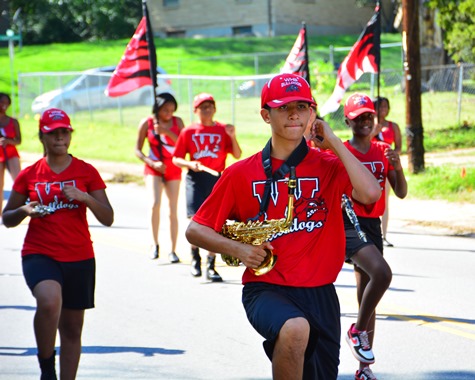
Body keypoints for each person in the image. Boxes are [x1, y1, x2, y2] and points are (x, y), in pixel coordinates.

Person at [185, 74, 381, 379]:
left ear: (312, 114)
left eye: (302, 107)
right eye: (284, 107)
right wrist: (239, 249)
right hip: (265, 289)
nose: (294, 114)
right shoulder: (240, 173)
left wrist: (333, 142)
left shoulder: (329, 165)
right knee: (294, 327)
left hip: (321, 295)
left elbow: (370, 193)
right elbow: (195, 230)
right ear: (266, 115)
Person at [1, 108, 114, 380]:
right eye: (54, 133)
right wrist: (26, 210)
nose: (60, 138)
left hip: (79, 256)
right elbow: (7, 218)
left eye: (65, 132)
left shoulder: (86, 171)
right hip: (40, 253)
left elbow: (108, 217)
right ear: (42, 136)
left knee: (73, 329)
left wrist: (85, 197)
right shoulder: (30, 174)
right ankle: (46, 366)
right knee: (49, 302)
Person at [342, 93, 407, 380]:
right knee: (381, 275)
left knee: (367, 297)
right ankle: (356, 331)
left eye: (369, 116)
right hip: (348, 222)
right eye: (359, 118)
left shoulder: (384, 149)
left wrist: (398, 165)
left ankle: (364, 369)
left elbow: (401, 192)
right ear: (348, 121)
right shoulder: (340, 151)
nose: (365, 121)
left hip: (372, 226)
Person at [172, 92, 242, 282]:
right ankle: (195, 257)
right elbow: (176, 158)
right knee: (195, 219)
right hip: (195, 178)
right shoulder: (189, 132)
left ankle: (210, 265)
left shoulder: (222, 130)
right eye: (203, 107)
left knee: (213, 222)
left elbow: (237, 154)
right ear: (196, 110)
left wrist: (232, 136)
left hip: (216, 179)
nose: (207, 109)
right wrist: (189, 164)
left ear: (215, 108)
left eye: (210, 105)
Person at [135, 93, 184, 263]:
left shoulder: (177, 122)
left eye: (171, 109)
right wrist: (152, 163)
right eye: (165, 110)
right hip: (154, 169)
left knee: (173, 210)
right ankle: (154, 243)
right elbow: (138, 150)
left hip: (173, 169)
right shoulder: (147, 123)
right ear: (157, 109)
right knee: (155, 204)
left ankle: (173, 249)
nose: (169, 113)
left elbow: (183, 144)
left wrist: (166, 132)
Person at [372, 96, 402, 247]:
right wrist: (373, 131)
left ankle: (383, 234)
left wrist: (391, 154)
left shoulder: (393, 126)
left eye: (386, 106)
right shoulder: (370, 126)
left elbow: (399, 147)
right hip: (372, 167)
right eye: (380, 106)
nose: (383, 109)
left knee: (385, 200)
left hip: (386, 166)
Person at [0, 92, 22, 219]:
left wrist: (8, 141)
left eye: (6, 103)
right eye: (1, 102)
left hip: (11, 154)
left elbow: (18, 140)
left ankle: (19, 210)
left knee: (19, 181)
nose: (4, 105)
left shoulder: (13, 121)